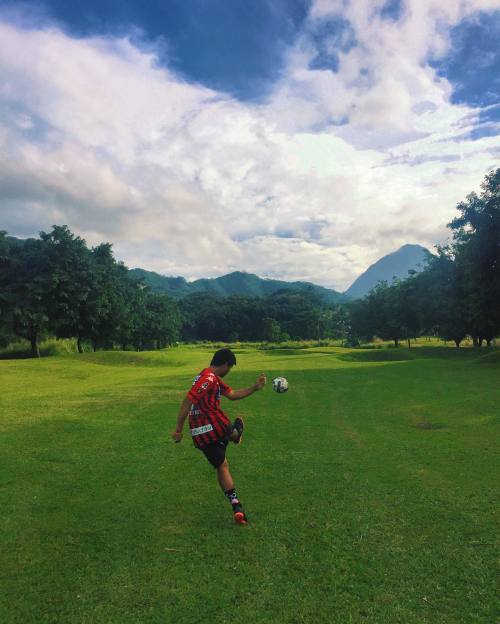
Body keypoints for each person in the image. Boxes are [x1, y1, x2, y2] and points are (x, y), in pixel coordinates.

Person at [172, 348, 266, 524]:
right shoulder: (208, 378)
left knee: (222, 465)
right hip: (214, 425)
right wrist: (177, 429)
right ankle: (236, 434)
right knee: (231, 428)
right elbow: (187, 401)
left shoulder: (211, 378)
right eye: (229, 368)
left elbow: (233, 395)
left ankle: (236, 505)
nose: (228, 372)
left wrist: (255, 387)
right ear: (224, 364)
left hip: (199, 435)